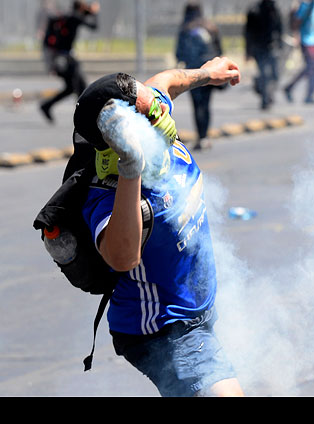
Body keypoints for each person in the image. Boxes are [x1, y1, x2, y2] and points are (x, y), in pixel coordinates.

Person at [72, 56, 244, 397]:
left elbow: (166, 82)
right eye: (150, 116)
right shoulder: (107, 195)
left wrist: (206, 74)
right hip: (163, 330)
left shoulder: (153, 116)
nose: (161, 114)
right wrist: (131, 166)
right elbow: (122, 258)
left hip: (196, 310)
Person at [39, 0, 100, 123]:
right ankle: (85, 118)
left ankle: (47, 105)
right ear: (80, 7)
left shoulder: (68, 16)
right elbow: (94, 26)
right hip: (66, 59)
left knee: (72, 87)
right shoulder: (74, 17)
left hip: (61, 58)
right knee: (81, 86)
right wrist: (95, 13)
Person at [175, 1, 224, 150]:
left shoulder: (185, 29)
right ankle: (205, 136)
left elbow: (179, 53)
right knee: (206, 104)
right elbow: (219, 50)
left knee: (197, 105)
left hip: (193, 72)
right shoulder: (210, 26)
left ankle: (200, 136)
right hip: (209, 71)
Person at [244, 0, 283, 110]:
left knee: (275, 74)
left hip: (273, 47)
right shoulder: (255, 10)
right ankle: (266, 99)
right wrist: (248, 50)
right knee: (265, 74)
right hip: (259, 48)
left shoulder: (275, 10)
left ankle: (264, 89)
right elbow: (248, 32)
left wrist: (280, 44)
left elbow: (279, 29)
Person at [284, 0, 314, 104]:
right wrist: (297, 36)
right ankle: (291, 88)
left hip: (313, 41)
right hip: (306, 41)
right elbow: (297, 20)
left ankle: (308, 94)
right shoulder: (306, 3)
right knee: (311, 67)